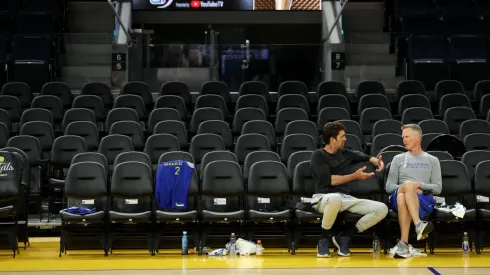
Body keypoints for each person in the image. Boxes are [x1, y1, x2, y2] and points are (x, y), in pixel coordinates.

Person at [310, 121, 388, 258]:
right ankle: (323, 239)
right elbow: (329, 180)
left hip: (346, 198)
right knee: (335, 198)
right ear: (332, 140)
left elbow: (364, 156)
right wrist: (354, 176)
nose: (345, 139)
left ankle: (346, 236)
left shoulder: (345, 153)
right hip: (324, 198)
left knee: (382, 208)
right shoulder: (318, 155)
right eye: (342, 136)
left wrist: (376, 161)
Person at [385, 124, 442, 258]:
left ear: (417, 138)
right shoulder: (398, 159)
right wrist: (408, 186)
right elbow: (389, 186)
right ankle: (418, 224)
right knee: (406, 188)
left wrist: (419, 185)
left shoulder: (432, 160)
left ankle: (403, 244)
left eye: (407, 137)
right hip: (397, 193)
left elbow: (438, 188)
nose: (404, 140)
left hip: (423, 198)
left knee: (402, 198)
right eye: (403, 137)